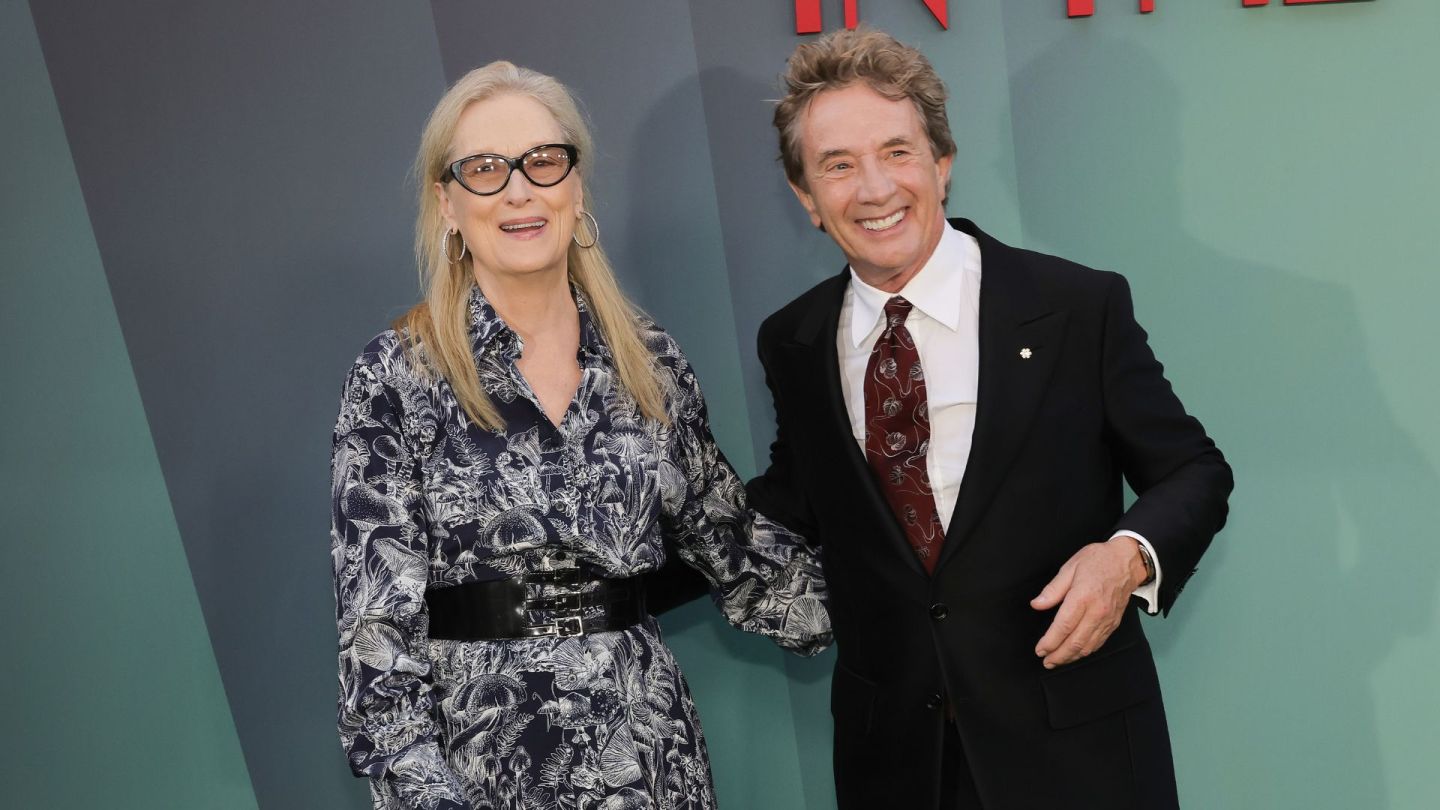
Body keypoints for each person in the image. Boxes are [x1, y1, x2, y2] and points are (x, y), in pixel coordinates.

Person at [745, 28, 1233, 809]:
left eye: (897, 152)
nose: (874, 189)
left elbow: (1193, 470)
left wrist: (1126, 558)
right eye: (837, 165)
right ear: (806, 198)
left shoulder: (1075, 306)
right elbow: (798, 499)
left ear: (942, 162)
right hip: (894, 765)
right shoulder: (792, 341)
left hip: (1078, 754)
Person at [330, 61, 829, 810]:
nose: (520, 190)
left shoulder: (648, 360)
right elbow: (376, 642)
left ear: (576, 184)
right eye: (486, 170)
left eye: (542, 161)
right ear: (447, 203)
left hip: (652, 761)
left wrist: (929, 601)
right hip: (486, 774)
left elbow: (739, 550)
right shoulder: (397, 377)